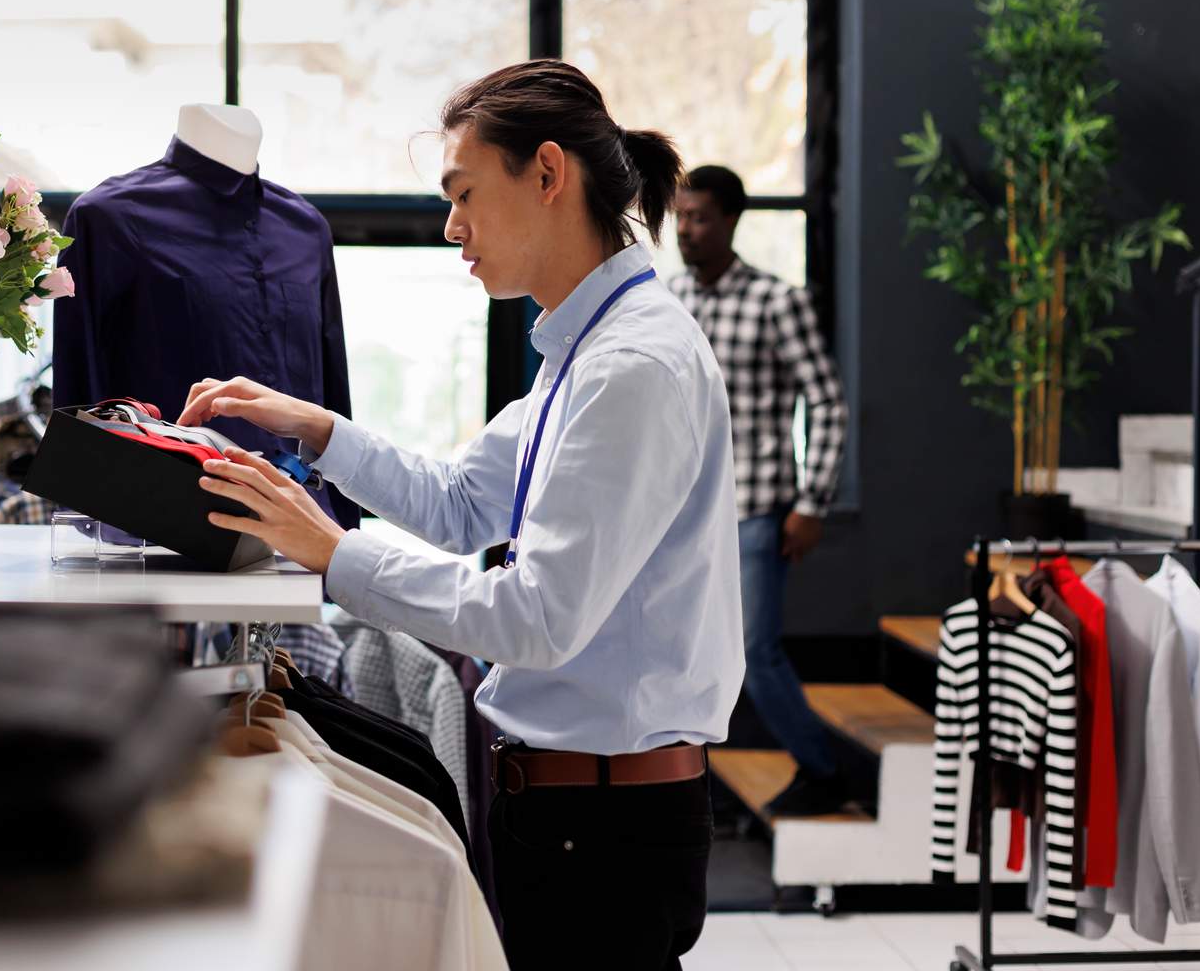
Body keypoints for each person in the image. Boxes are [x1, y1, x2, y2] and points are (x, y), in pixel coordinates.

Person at [182, 60, 742, 971]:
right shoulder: (583, 353)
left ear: (548, 175)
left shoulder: (631, 366)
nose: (452, 228)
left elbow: (536, 617)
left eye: (465, 193)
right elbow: (462, 503)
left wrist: (333, 554)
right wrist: (318, 430)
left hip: (603, 827)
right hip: (570, 812)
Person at [670, 164, 850, 816]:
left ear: (731, 221)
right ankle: (685, 787)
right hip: (681, 515)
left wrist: (811, 502)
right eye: (680, 217)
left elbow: (828, 402)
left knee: (753, 651)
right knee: (684, 650)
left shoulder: (778, 301)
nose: (686, 230)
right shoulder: (668, 301)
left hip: (754, 510)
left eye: (700, 218)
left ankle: (823, 768)